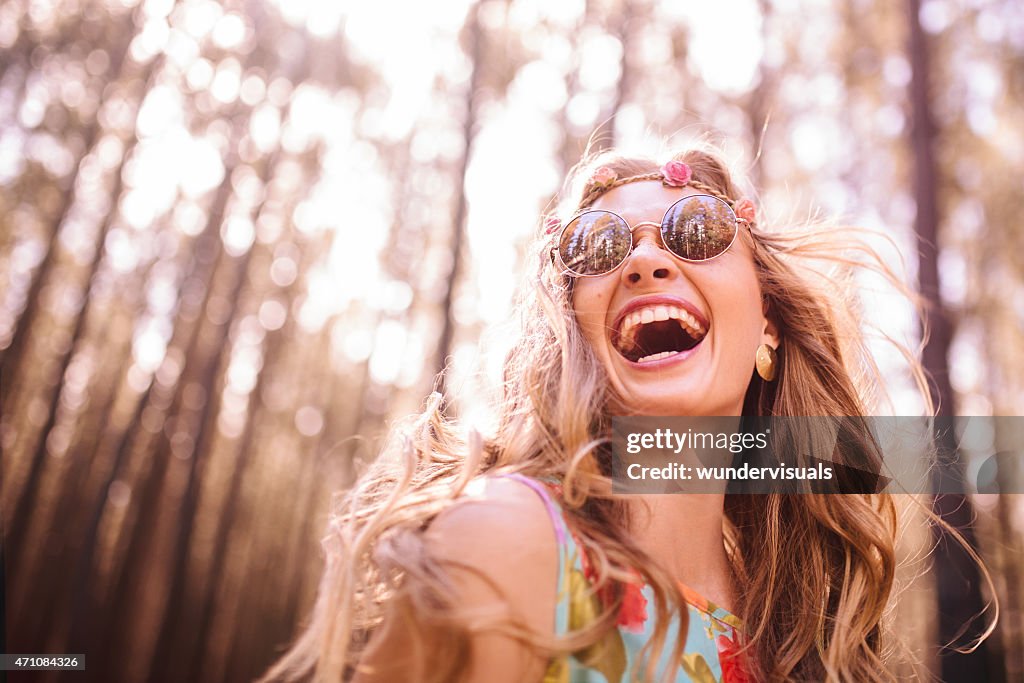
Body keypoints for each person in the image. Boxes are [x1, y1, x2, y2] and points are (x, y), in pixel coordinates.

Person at [261, 147, 952, 682]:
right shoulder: (507, 544)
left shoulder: (796, 630)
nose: (646, 260)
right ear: (575, 331)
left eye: (697, 231)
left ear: (768, 323)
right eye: (600, 245)